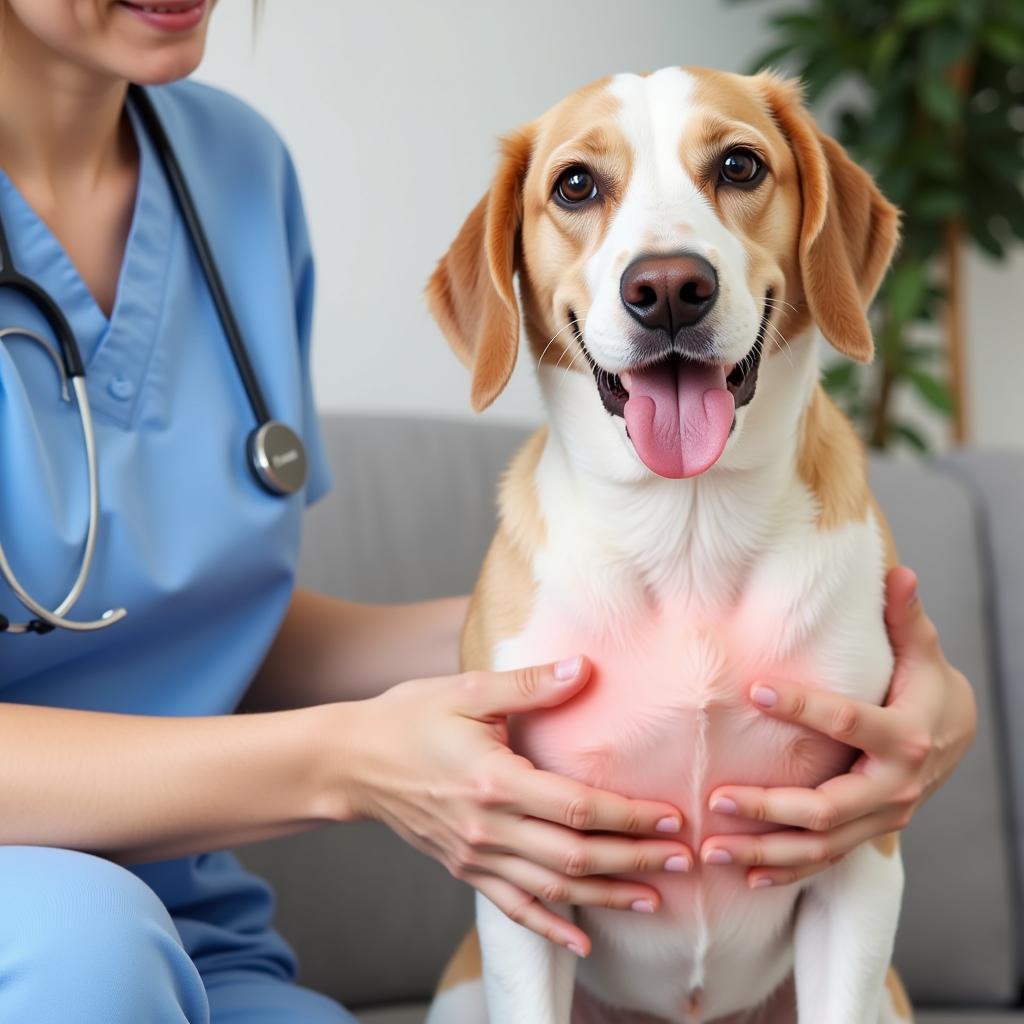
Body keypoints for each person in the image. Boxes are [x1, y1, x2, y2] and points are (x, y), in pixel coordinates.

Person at [0, 2, 977, 1021]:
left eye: (732, 172)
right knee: (92, 953)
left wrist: (681, 647)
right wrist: (346, 759)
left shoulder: (234, 173)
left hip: (193, 915)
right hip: (51, 925)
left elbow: (195, 622)